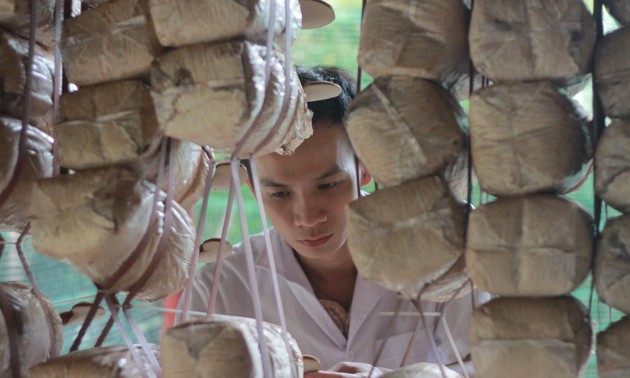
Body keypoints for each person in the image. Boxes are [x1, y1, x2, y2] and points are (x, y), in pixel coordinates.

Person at [181, 66, 486, 376]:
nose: (307, 217)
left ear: (365, 168)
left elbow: (505, 366)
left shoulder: (446, 250)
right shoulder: (221, 289)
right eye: (279, 194)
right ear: (253, 190)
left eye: (327, 185)